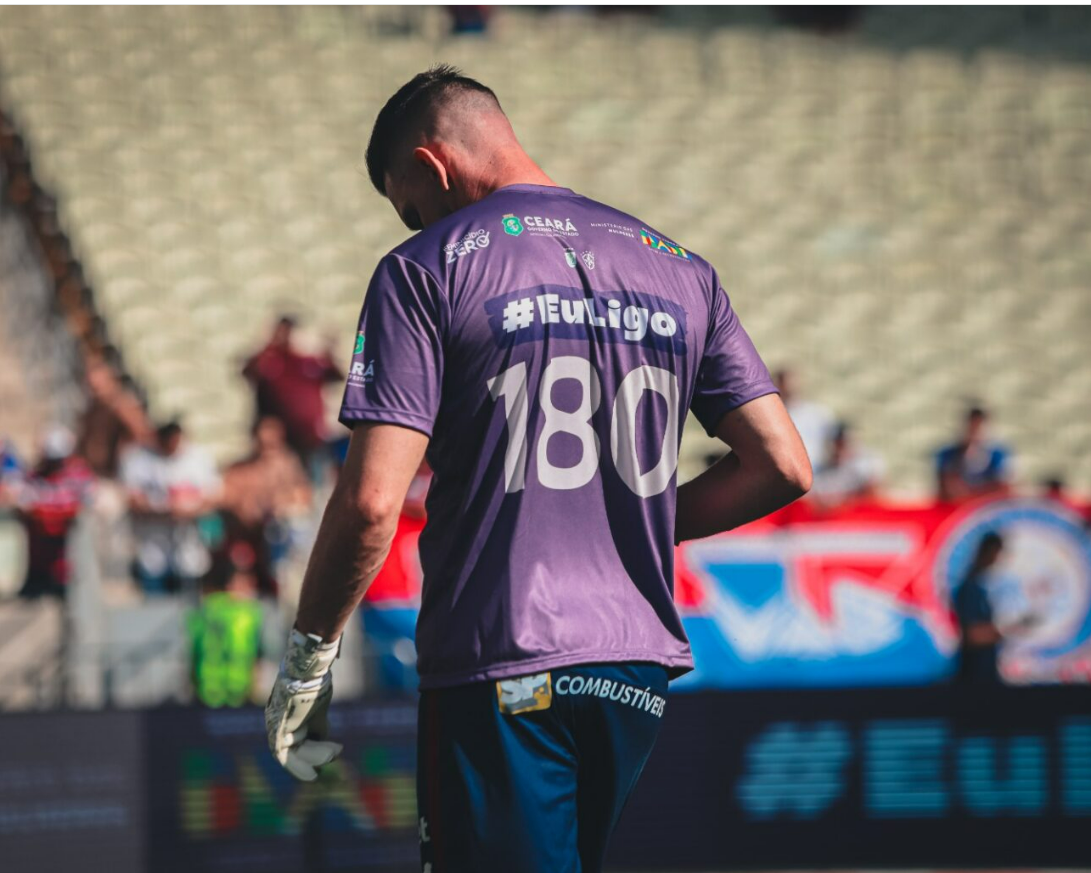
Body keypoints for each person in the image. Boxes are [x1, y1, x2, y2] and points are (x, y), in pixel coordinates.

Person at [264, 66, 812, 873]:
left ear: (433, 162)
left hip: (503, 655)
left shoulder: (425, 267)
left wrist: (308, 662)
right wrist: (634, 519)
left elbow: (374, 501)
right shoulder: (679, 267)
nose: (412, 220)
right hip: (635, 666)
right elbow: (782, 465)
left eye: (408, 202)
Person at [119, 420, 220, 593]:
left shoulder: (198, 457)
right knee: (154, 601)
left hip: (189, 544)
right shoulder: (139, 458)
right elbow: (131, 499)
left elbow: (213, 497)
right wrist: (162, 507)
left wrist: (189, 509)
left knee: (190, 601)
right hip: (153, 543)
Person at [220, 416, 313, 595]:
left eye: (273, 443)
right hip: (247, 538)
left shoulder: (288, 464)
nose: (268, 449)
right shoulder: (242, 469)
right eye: (263, 443)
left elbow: (304, 496)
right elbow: (229, 497)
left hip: (279, 539)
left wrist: (280, 502)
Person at [242, 316, 343, 464]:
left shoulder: (309, 361)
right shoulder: (270, 361)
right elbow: (248, 372)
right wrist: (268, 343)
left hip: (312, 438)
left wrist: (331, 351)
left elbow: (337, 375)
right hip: (280, 442)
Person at [18, 425, 94, 597]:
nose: (57, 465)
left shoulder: (80, 476)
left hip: (70, 564)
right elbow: (25, 507)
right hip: (39, 563)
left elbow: (89, 505)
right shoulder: (33, 479)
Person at [951, 531, 1034, 685]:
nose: (997, 559)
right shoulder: (970, 589)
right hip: (974, 677)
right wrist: (1010, 629)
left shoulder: (980, 588)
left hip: (986, 673)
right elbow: (973, 636)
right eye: (996, 553)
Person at [187, 553, 265, 708]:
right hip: (239, 690)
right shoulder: (249, 613)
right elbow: (257, 653)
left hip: (207, 690)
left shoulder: (203, 611)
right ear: (231, 583)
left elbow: (193, 652)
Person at [77, 351, 153, 478]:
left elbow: (143, 437)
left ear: (111, 381)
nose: (94, 391)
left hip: (120, 477)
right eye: (91, 387)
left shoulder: (124, 406)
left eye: (97, 387)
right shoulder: (92, 411)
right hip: (96, 476)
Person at [935, 405, 1012, 503]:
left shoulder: (998, 454)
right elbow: (948, 490)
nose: (975, 432)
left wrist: (971, 493)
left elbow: (1004, 488)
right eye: (972, 426)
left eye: (978, 426)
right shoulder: (948, 454)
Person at [810, 423, 884, 510]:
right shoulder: (820, 470)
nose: (839, 448)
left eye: (843, 443)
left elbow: (873, 495)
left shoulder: (865, 465)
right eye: (837, 443)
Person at [774, 368, 836, 473]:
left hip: (818, 474)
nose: (789, 386)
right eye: (784, 382)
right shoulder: (774, 415)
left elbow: (835, 443)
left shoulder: (818, 413)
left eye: (792, 381)